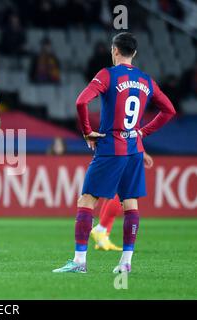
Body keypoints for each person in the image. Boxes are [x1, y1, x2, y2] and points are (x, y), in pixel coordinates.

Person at [53, 32, 176, 274]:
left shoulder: (107, 75)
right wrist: (142, 133)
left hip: (111, 148)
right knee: (130, 205)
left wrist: (88, 131)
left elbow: (81, 102)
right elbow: (169, 110)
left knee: (86, 200)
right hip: (134, 149)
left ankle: (79, 262)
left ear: (114, 51)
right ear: (135, 53)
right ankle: (125, 263)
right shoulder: (146, 80)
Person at [90, 151, 154, 251]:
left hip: (113, 149)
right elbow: (131, 135)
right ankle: (101, 229)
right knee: (125, 190)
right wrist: (142, 152)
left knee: (114, 190)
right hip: (122, 150)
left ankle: (103, 236)